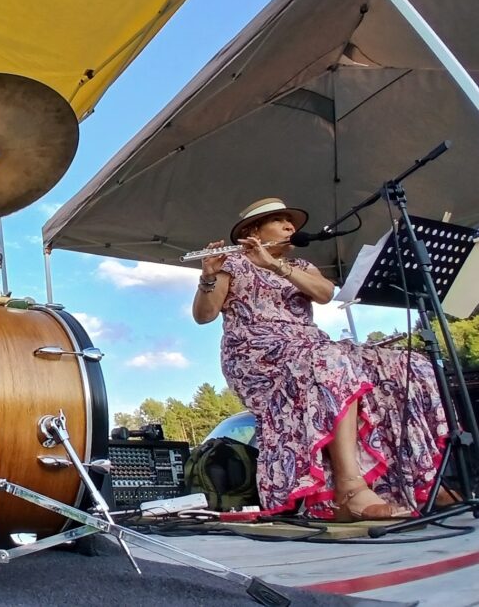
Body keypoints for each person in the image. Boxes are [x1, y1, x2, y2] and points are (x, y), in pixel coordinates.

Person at [191, 197, 451, 521]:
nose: (290, 226)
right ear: (253, 230)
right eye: (280, 220)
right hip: (257, 355)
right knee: (331, 362)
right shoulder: (232, 265)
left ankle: (421, 479)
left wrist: (276, 266)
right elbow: (204, 315)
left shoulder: (300, 267)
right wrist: (208, 278)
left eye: (292, 221)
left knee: (408, 365)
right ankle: (349, 490)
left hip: (310, 347)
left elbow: (325, 294)